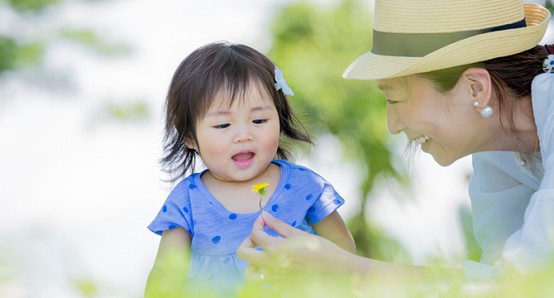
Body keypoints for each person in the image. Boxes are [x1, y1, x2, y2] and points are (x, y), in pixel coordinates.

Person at [238, 0, 554, 283]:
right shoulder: (498, 150)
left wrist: (345, 268)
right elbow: (512, 280)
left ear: (475, 89)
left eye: (396, 99)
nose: (392, 125)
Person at [144, 41, 355, 297]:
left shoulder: (305, 186)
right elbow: (166, 279)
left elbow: (344, 252)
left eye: (259, 120)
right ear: (189, 136)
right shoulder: (187, 200)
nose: (244, 135)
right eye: (223, 125)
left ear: (280, 118)